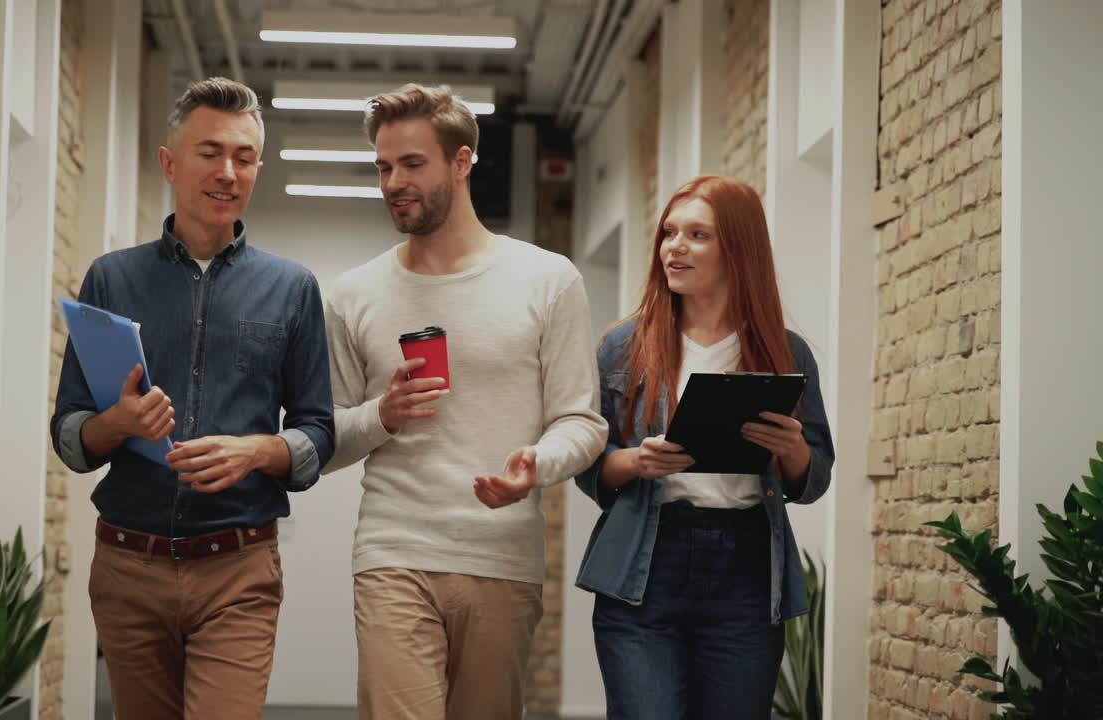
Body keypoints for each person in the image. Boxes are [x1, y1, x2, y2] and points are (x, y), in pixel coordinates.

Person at [49, 77, 335, 720]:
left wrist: (262, 451)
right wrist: (117, 424)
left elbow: (319, 431)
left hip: (238, 569)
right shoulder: (112, 277)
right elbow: (70, 435)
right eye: (210, 152)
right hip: (129, 565)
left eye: (244, 156)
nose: (228, 171)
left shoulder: (293, 289)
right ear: (170, 162)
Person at [322, 83, 608, 720]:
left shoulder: (547, 280)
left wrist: (539, 462)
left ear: (461, 161)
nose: (394, 181)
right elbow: (326, 438)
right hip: (393, 550)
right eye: (383, 167)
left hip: (501, 554)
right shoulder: (355, 293)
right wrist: (382, 415)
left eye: (412, 164)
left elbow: (582, 420)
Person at [574, 175, 835, 719]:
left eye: (697, 234)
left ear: (738, 249)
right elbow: (587, 464)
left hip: (745, 570)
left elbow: (814, 477)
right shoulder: (623, 346)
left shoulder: (787, 353)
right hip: (646, 565)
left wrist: (791, 449)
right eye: (669, 233)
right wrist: (636, 461)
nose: (675, 246)